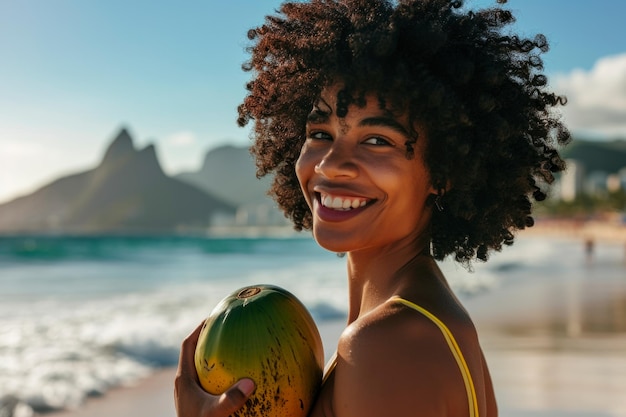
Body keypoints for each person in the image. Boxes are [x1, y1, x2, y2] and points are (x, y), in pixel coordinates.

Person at [175, 0, 570, 416]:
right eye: (321, 132)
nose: (330, 164)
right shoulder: (424, 321)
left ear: (443, 171)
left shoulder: (386, 345)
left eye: (377, 140)